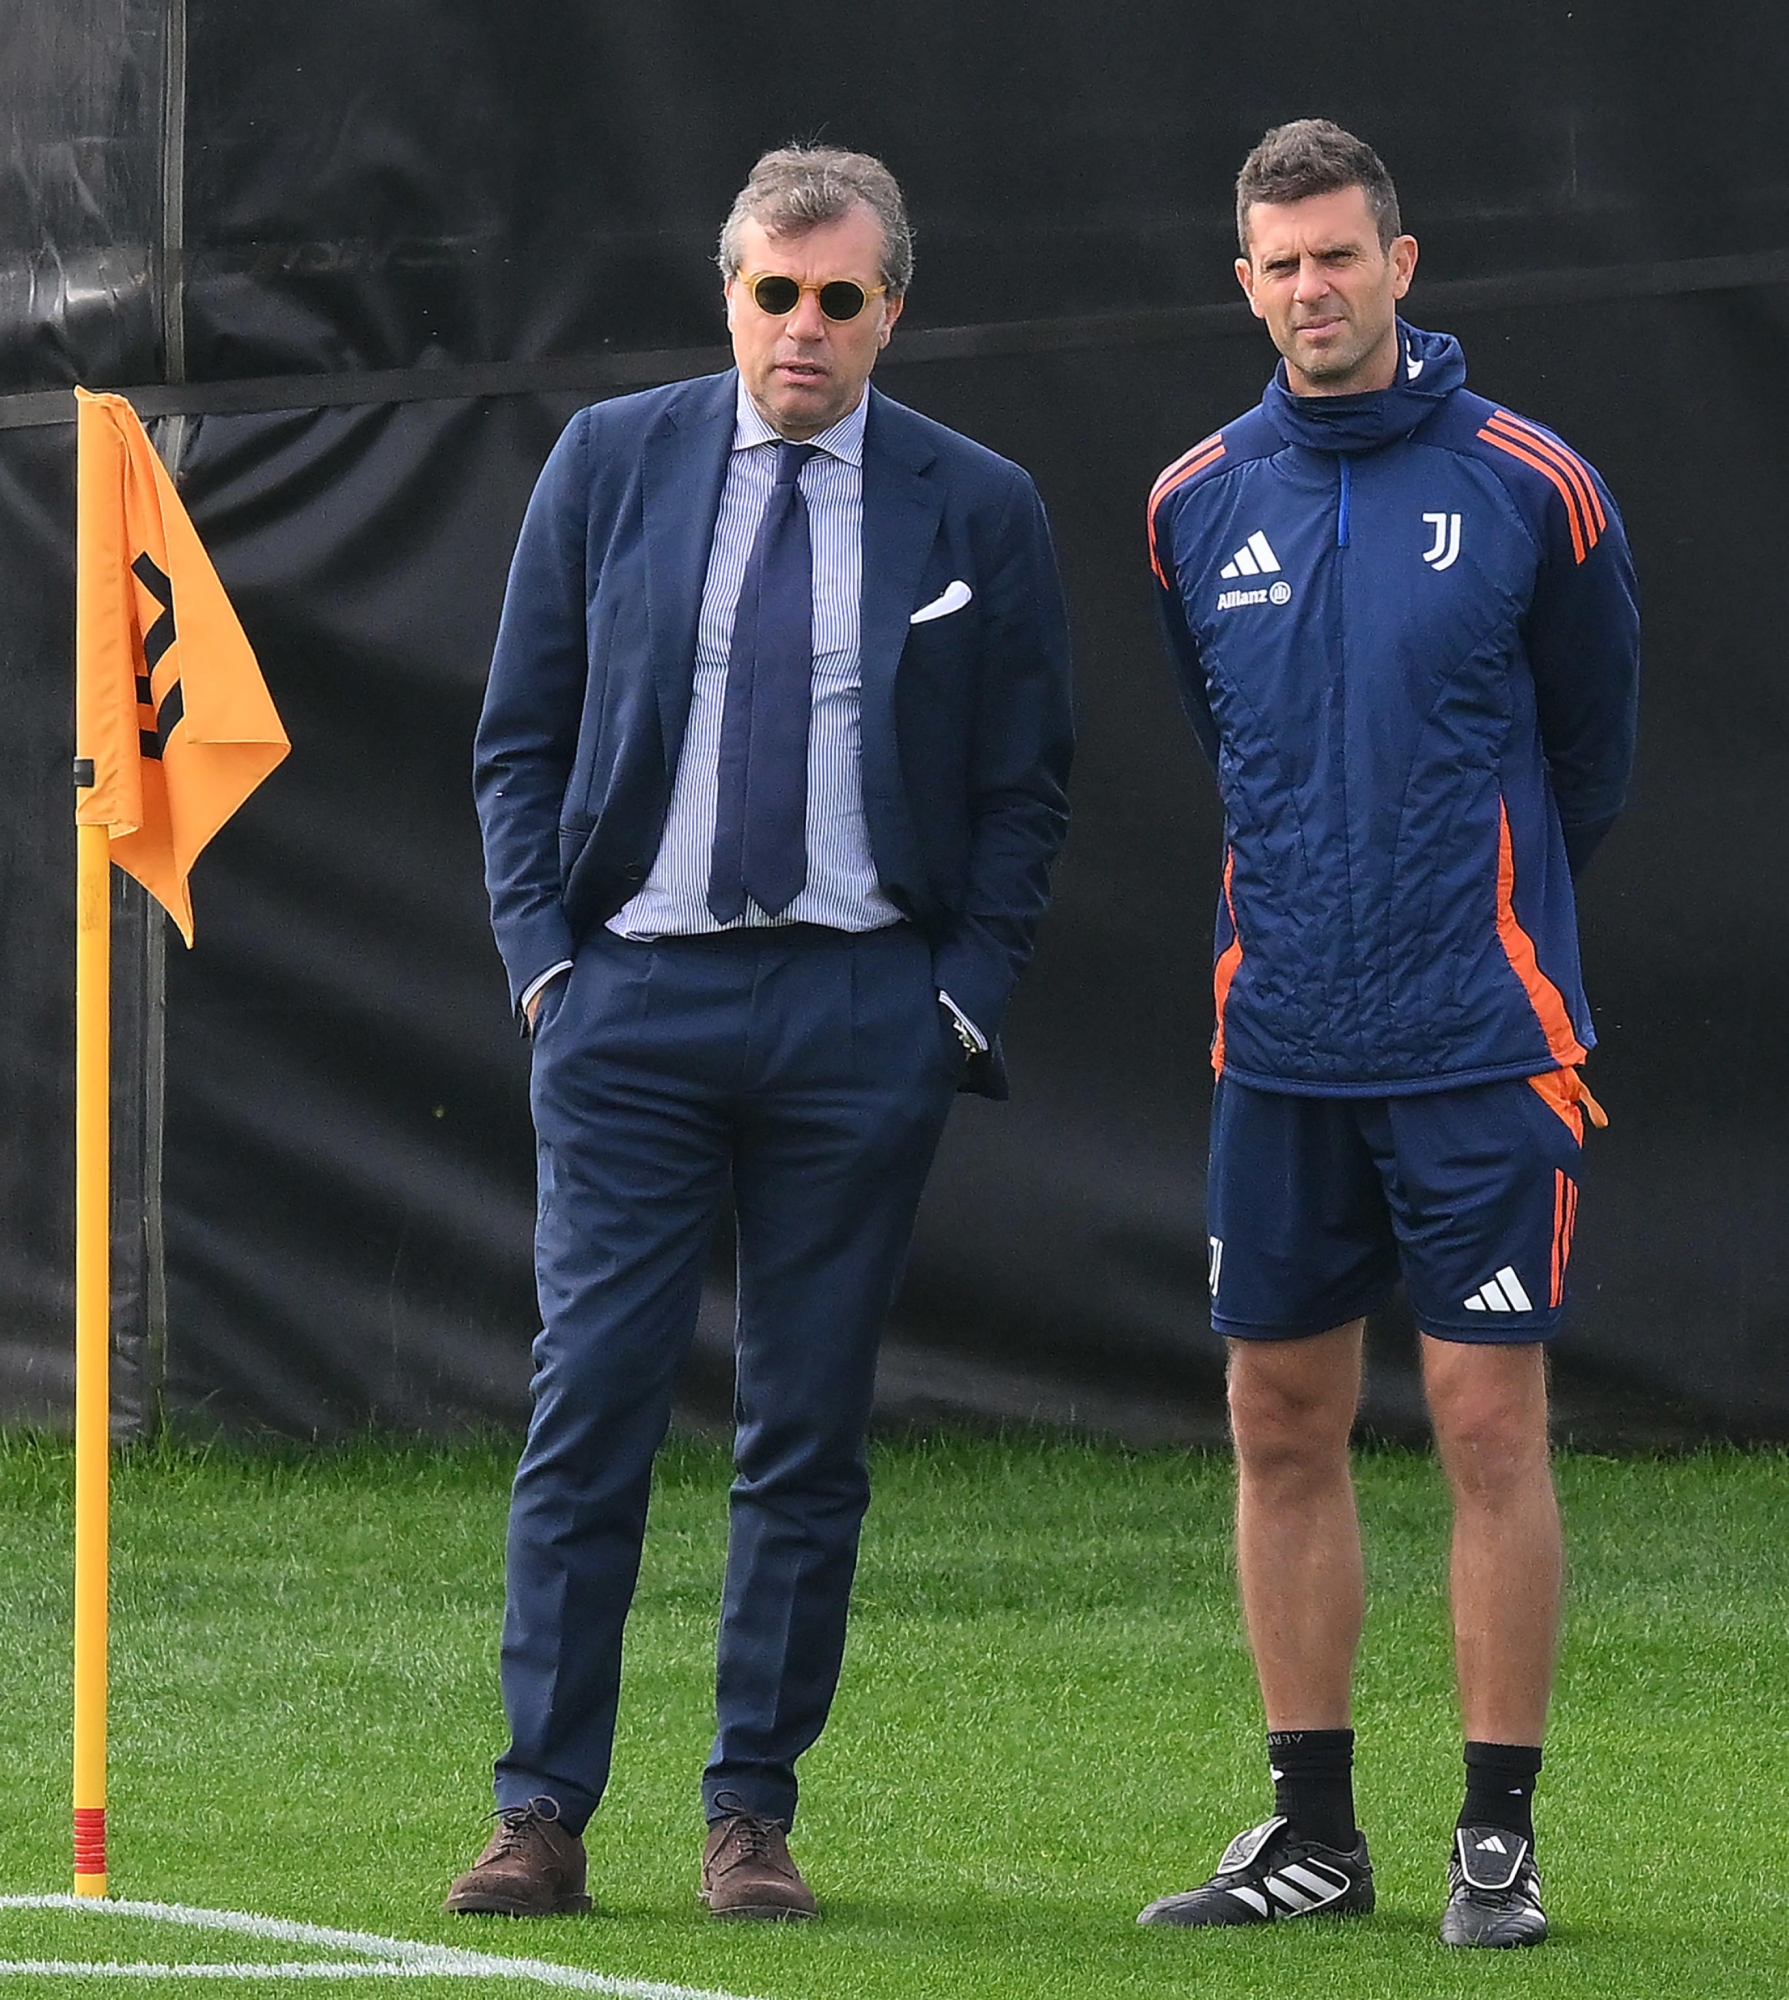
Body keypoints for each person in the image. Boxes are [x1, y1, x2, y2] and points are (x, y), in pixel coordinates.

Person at [449, 145, 1072, 1923]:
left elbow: (1027, 787)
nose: (802, 328)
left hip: (857, 1010)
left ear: (892, 312)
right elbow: (521, 736)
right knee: (591, 1406)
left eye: (840, 298)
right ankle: (540, 1808)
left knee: (803, 1431)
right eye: (773, 292)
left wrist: (950, 1002)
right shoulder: (609, 460)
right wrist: (543, 969)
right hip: (630, 1001)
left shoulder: (978, 504)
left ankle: (749, 1816)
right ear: (727, 294)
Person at [1139, 121, 1638, 1948]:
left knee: (1484, 1425)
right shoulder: (1195, 500)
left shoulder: (1529, 484)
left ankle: (1491, 1837)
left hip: (1475, 1042)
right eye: (1276, 263)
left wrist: (1473, 918)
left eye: (1337, 255)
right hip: (1278, 1045)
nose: (1308, 289)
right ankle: (1311, 1835)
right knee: (1276, 1418)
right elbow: (1239, 752)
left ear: (1402, 265)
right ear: (1245, 281)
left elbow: (1587, 747)